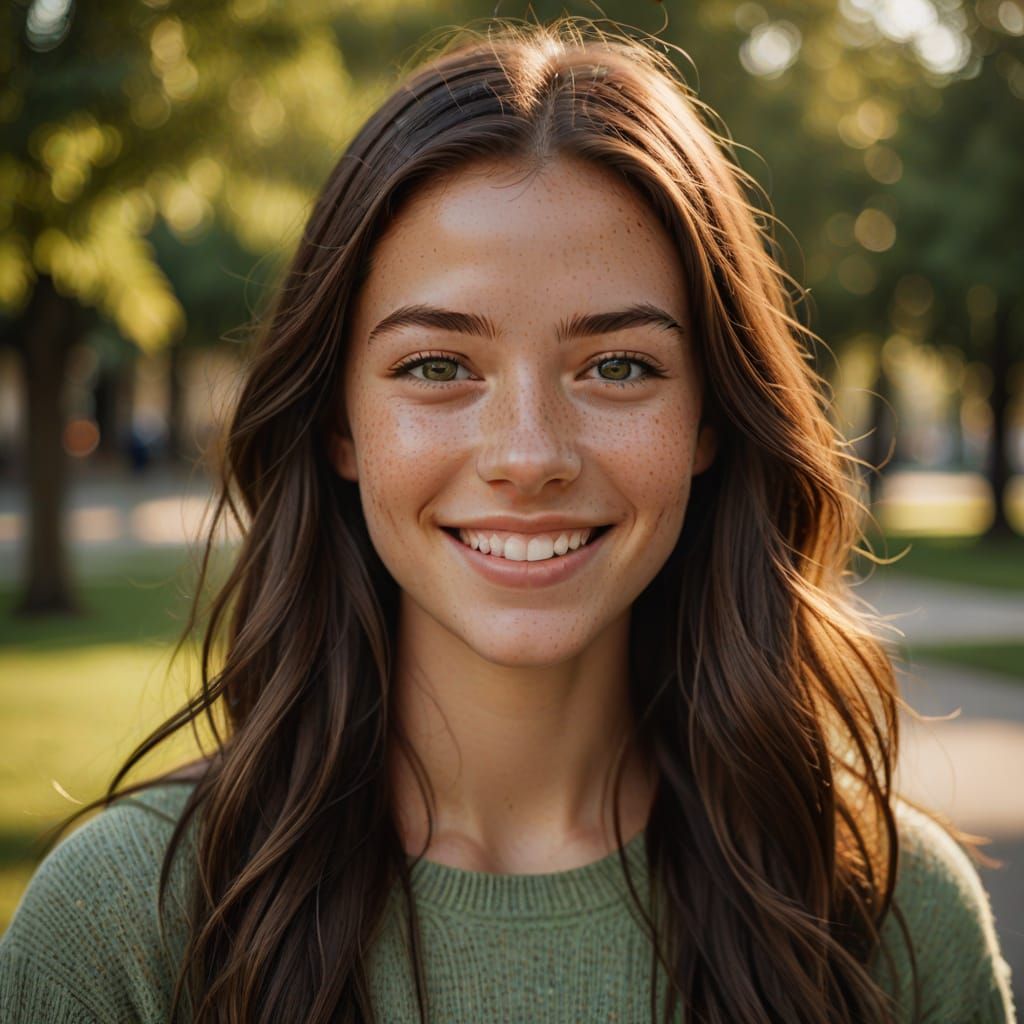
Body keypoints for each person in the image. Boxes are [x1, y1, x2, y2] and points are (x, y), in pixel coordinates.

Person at [0, 17, 1016, 1024]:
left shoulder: (886, 912)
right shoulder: (122, 926)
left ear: (710, 417)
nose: (528, 454)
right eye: (436, 367)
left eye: (618, 366)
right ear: (338, 425)